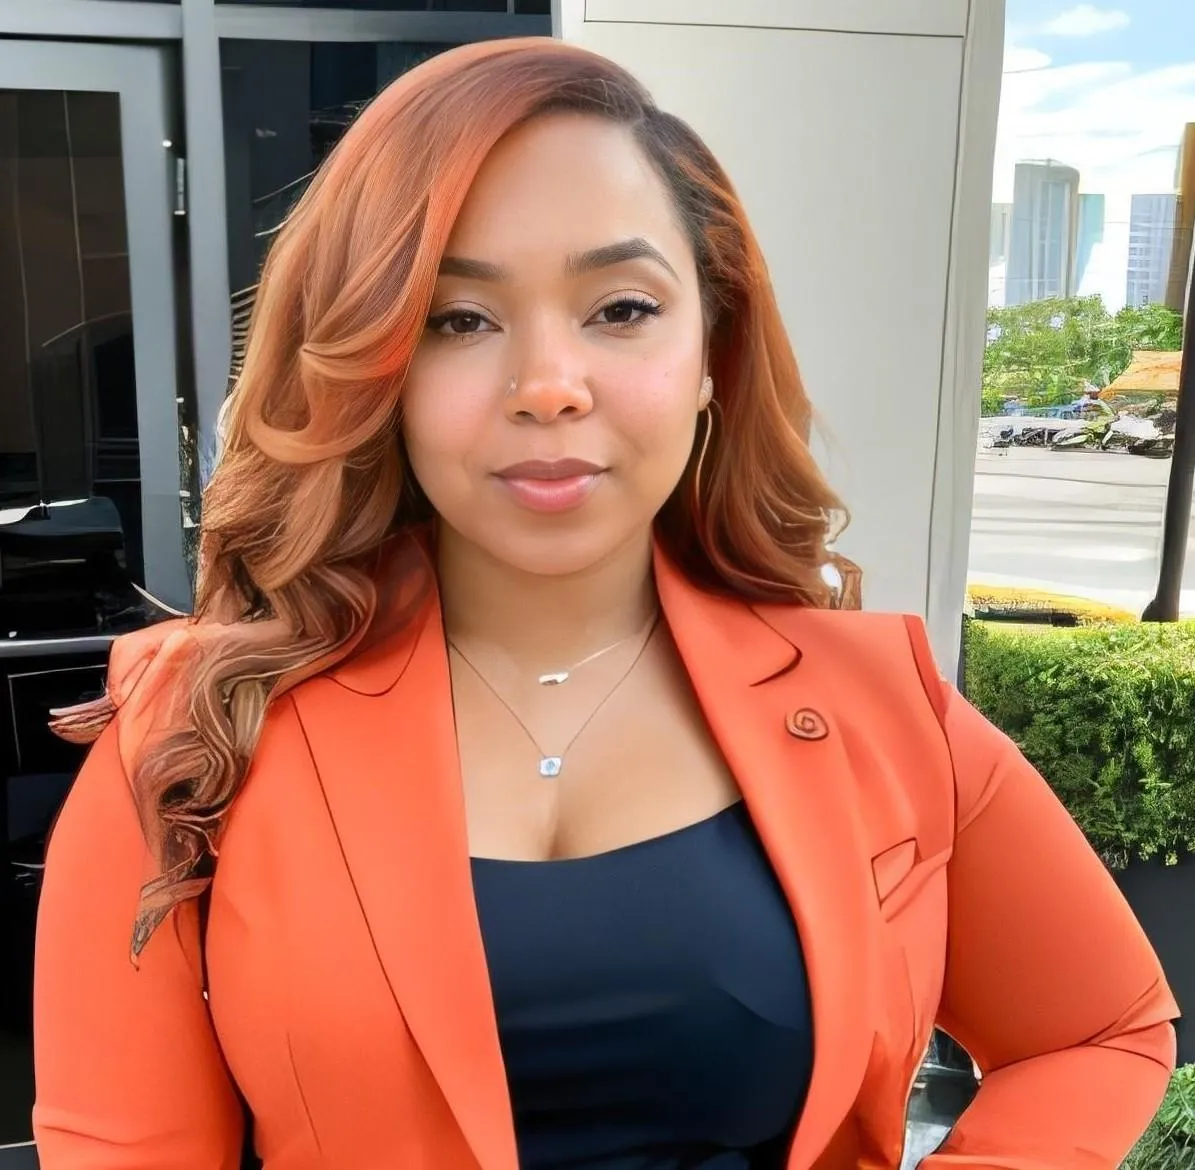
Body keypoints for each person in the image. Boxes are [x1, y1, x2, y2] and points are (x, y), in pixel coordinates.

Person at [33, 37, 1176, 1170]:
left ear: (713, 347)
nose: (547, 387)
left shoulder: (881, 706)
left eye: (620, 308)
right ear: (372, 366)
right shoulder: (191, 738)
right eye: (457, 319)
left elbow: (1096, 1029)